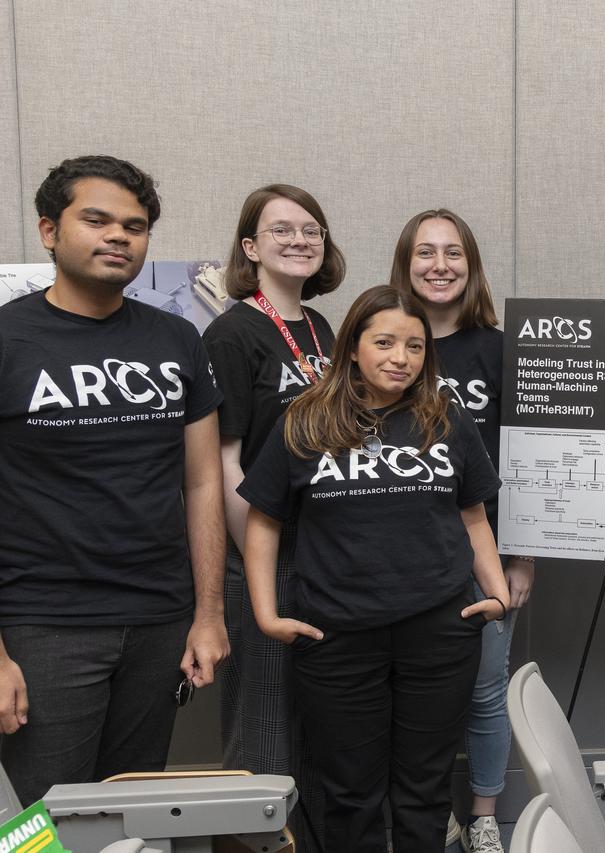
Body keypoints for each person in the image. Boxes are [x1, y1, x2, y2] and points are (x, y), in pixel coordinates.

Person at [238, 285, 510, 852]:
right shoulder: (306, 420)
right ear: (353, 347)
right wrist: (265, 614)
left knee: (424, 792)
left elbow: (473, 515)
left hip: (439, 633)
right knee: (349, 796)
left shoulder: (446, 420)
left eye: (415, 346)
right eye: (384, 342)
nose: (400, 358)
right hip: (336, 637)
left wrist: (498, 596)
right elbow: (263, 522)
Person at [0, 155, 227, 805]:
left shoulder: (178, 338)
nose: (119, 236)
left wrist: (208, 613)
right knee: (44, 822)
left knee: (129, 814)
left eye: (134, 226)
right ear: (49, 230)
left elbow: (203, 483)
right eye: (96, 220)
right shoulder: (9, 338)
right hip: (44, 625)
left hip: (159, 620)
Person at [202, 184, 345, 847]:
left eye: (311, 229)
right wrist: (258, 555)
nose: (299, 240)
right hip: (261, 552)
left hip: (324, 553)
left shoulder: (322, 329)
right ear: (251, 247)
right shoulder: (232, 333)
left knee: (314, 721)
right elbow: (223, 459)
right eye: (281, 229)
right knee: (262, 726)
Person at [389, 208, 534, 853]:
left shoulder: (500, 350)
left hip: (487, 550)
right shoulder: (384, 343)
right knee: (409, 694)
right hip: (402, 551)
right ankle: (427, 810)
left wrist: (523, 556)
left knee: (484, 691)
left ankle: (483, 817)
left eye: (453, 253)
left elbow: (530, 458)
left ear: (471, 266)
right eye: (425, 252)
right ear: (406, 263)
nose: (439, 265)